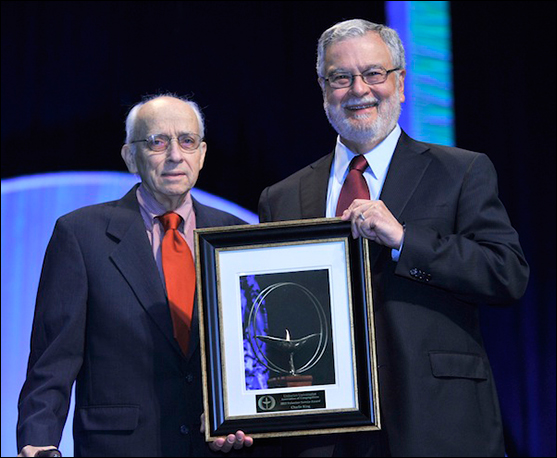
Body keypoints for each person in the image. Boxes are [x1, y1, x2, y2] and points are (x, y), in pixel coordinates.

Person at [258, 19, 529, 457]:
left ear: (400, 83)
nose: (359, 89)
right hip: (323, 432)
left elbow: (506, 274)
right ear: (324, 90)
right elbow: (271, 316)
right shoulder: (282, 196)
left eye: (374, 73)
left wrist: (405, 238)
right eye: (341, 77)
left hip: (437, 422)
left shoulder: (461, 171)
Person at [17, 95, 254, 457]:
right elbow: (52, 360)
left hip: (215, 449)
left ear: (202, 154)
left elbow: (255, 353)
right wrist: (38, 440)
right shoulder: (80, 235)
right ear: (130, 156)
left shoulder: (236, 236)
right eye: (157, 142)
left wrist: (248, 416)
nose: (175, 155)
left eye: (187, 141)